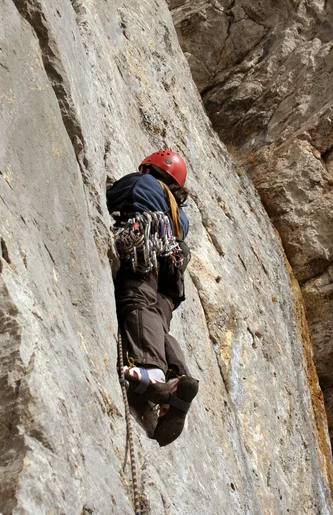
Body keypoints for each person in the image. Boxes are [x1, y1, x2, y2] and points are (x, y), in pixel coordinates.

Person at [107, 150, 199, 446]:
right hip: (169, 279)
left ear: (149, 168)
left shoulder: (142, 183)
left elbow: (113, 196)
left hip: (145, 258)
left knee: (137, 302)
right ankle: (177, 380)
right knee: (159, 322)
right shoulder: (180, 218)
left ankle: (151, 371)